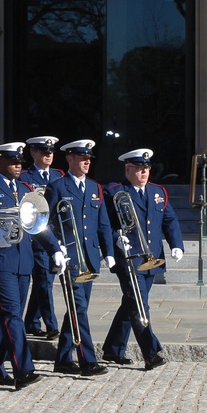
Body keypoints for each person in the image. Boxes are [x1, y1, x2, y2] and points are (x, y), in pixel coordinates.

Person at [0, 142, 65, 390]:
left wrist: (54, 249)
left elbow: (38, 223)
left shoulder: (26, 188)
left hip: (23, 261)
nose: (17, 166)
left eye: (20, 162)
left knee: (8, 317)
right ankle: (23, 369)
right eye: (13, 162)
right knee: (12, 315)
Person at [102, 149, 183, 371]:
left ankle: (112, 348)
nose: (144, 172)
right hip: (128, 258)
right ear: (127, 169)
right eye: (139, 168)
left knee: (130, 303)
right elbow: (105, 223)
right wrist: (114, 240)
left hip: (151, 257)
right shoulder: (115, 191)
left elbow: (170, 219)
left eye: (146, 168)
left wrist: (176, 244)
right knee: (139, 304)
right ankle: (151, 352)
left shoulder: (157, 192)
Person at [44, 139, 114, 377]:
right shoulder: (58, 186)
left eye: (89, 159)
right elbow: (44, 223)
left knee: (76, 309)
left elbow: (103, 224)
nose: (86, 163)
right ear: (70, 159)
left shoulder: (95, 187)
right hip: (70, 258)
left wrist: (109, 252)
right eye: (82, 159)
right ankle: (87, 360)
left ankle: (63, 359)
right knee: (80, 309)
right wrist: (56, 247)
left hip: (90, 257)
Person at [19, 135, 65, 339]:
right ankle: (51, 325)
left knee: (43, 281)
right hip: (33, 235)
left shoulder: (59, 175)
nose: (49, 155)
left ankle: (31, 321)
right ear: (33, 153)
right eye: (44, 152)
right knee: (44, 281)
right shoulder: (24, 177)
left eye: (51, 152)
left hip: (52, 235)